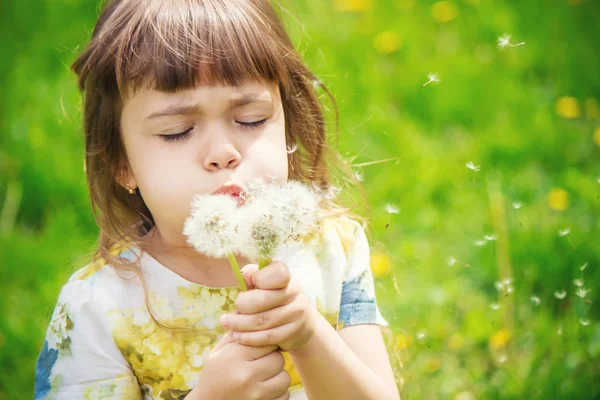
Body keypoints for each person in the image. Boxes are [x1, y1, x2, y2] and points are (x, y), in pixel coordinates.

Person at [34, 0, 400, 399]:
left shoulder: (332, 248)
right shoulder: (96, 308)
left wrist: (309, 336)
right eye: (177, 131)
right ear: (122, 163)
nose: (223, 151)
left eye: (251, 120)